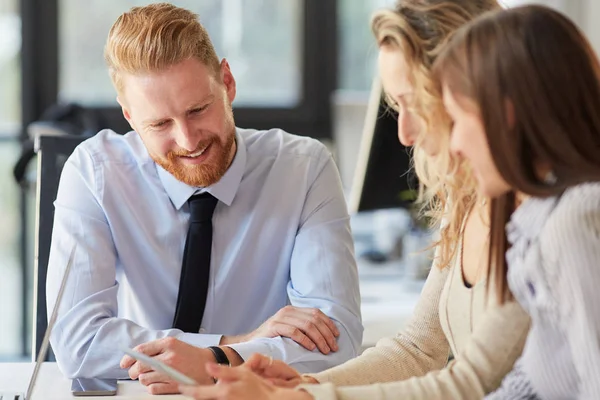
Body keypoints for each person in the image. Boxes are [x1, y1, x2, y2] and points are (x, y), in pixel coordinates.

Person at [178, 1, 535, 399]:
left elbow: (468, 383)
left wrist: (303, 398)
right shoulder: (467, 203)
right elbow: (418, 349)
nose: (404, 133)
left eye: (415, 102)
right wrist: (304, 384)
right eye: (397, 106)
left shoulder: (546, 218)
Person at [45, 2, 363, 394]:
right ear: (129, 116)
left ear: (226, 82)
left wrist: (213, 362)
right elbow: (78, 344)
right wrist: (233, 346)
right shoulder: (94, 173)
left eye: (198, 109)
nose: (188, 140)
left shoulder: (303, 168)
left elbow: (340, 340)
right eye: (160, 123)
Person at [435, 5, 600, 398]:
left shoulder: (573, 221)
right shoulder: (541, 219)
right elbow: (534, 375)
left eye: (458, 119)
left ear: (504, 114)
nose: (454, 145)